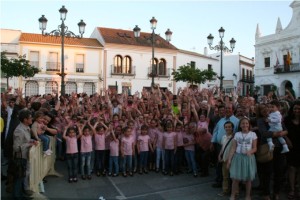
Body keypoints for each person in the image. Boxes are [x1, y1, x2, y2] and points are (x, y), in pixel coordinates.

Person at [227, 117, 257, 200]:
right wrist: (229, 160)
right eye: (243, 123)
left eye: (246, 123)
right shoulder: (237, 134)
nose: (245, 125)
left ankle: (248, 196)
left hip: (248, 158)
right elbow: (233, 148)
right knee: (235, 179)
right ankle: (233, 195)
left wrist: (250, 152)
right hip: (238, 158)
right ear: (240, 125)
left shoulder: (253, 134)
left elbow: (255, 148)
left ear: (249, 124)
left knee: (248, 179)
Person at [12, 109, 38, 199]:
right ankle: (17, 196)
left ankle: (22, 194)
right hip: (20, 157)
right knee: (19, 178)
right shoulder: (19, 130)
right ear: (25, 120)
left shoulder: (26, 128)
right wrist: (29, 144)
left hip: (25, 156)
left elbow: (25, 140)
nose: (32, 119)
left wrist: (32, 141)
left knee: (22, 177)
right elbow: (16, 147)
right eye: (30, 118)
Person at [284, 100, 300, 199]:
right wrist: (287, 139)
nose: (297, 110)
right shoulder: (287, 120)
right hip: (291, 146)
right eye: (295, 108)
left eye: (299, 108)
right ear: (292, 109)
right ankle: (292, 189)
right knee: (291, 168)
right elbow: (283, 130)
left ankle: (298, 187)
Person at [217, 121, 234, 197]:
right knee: (225, 176)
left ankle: (234, 192)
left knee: (234, 177)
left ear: (232, 128)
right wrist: (219, 155)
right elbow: (223, 147)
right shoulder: (223, 137)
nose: (227, 128)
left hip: (232, 160)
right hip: (224, 160)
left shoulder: (234, 138)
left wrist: (229, 159)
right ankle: (225, 190)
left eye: (229, 127)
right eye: (226, 127)